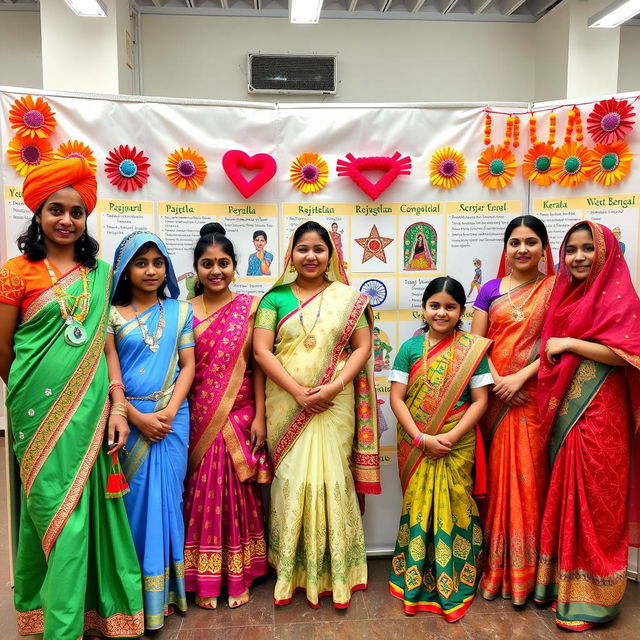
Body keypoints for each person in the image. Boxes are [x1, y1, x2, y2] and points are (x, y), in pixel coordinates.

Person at [0, 158, 143, 639]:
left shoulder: (99, 274)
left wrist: (117, 406)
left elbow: (104, 346)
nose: (66, 220)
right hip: (34, 415)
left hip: (91, 411)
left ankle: (89, 618)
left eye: (77, 212)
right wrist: (31, 398)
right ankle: (54, 624)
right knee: (52, 517)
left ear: (86, 218)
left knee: (84, 519)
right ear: (38, 214)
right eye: (56, 210)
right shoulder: (15, 273)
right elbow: (4, 348)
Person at [253, 220, 381, 608]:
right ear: (291, 254)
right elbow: (261, 352)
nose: (311, 256)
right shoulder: (273, 299)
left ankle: (338, 571)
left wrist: (334, 386)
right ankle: (289, 568)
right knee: (292, 481)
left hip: (333, 403)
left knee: (331, 480)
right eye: (303, 248)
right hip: (286, 404)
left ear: (331, 255)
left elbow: (361, 347)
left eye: (318, 249)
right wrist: (298, 392)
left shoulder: (348, 298)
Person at [534, 221, 640, 631]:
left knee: (598, 497)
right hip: (566, 414)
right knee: (563, 491)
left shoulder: (623, 300)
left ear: (606, 253)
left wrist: (571, 343)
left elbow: (631, 354)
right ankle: (560, 586)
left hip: (603, 413)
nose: (578, 257)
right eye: (571, 250)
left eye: (587, 249)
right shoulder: (564, 297)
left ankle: (595, 597)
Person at [388, 276, 492, 622]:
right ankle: (414, 573)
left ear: (462, 310)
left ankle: (459, 574)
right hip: (417, 443)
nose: (442, 312)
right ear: (424, 308)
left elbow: (480, 401)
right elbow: (396, 398)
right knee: (419, 505)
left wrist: (450, 437)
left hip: (456, 443)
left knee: (456, 504)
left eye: (450, 306)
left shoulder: (473, 348)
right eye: (435, 305)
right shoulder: (409, 349)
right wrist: (421, 438)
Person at [107, 232, 195, 631]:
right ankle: (135, 599)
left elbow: (188, 366)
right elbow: (107, 375)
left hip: (173, 418)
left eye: (158, 262)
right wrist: (136, 416)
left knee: (170, 500)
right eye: (141, 263)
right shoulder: (110, 316)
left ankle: (169, 593)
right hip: (128, 420)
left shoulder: (180, 310)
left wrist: (170, 410)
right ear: (125, 270)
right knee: (135, 506)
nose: (151, 270)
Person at [183, 223, 271, 610]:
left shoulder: (252, 308)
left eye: (223, 263)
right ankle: (201, 578)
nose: (215, 271)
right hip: (196, 417)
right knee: (198, 497)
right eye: (207, 264)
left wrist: (262, 417)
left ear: (235, 266)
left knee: (236, 495)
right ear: (196, 269)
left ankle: (238, 576)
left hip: (240, 416)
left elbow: (261, 367)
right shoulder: (183, 312)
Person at [470, 215, 555, 605]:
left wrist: (520, 378)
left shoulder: (556, 289)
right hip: (494, 399)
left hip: (533, 395)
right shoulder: (490, 290)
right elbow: (475, 345)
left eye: (531, 241)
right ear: (505, 248)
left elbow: (558, 346)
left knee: (530, 482)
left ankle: (532, 575)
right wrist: (499, 382)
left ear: (544, 248)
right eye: (515, 241)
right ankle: (496, 569)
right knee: (498, 482)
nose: (523, 249)